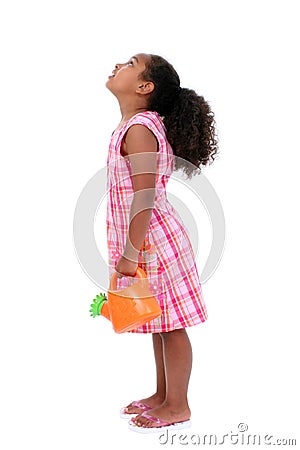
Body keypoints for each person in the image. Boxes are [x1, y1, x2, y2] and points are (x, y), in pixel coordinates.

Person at [105, 53, 218, 433]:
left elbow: (145, 196)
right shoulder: (135, 124)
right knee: (159, 320)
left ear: (144, 87)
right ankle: (162, 394)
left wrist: (129, 253)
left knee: (172, 326)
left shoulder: (139, 128)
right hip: (149, 238)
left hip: (153, 241)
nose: (118, 63)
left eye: (129, 62)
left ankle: (178, 405)